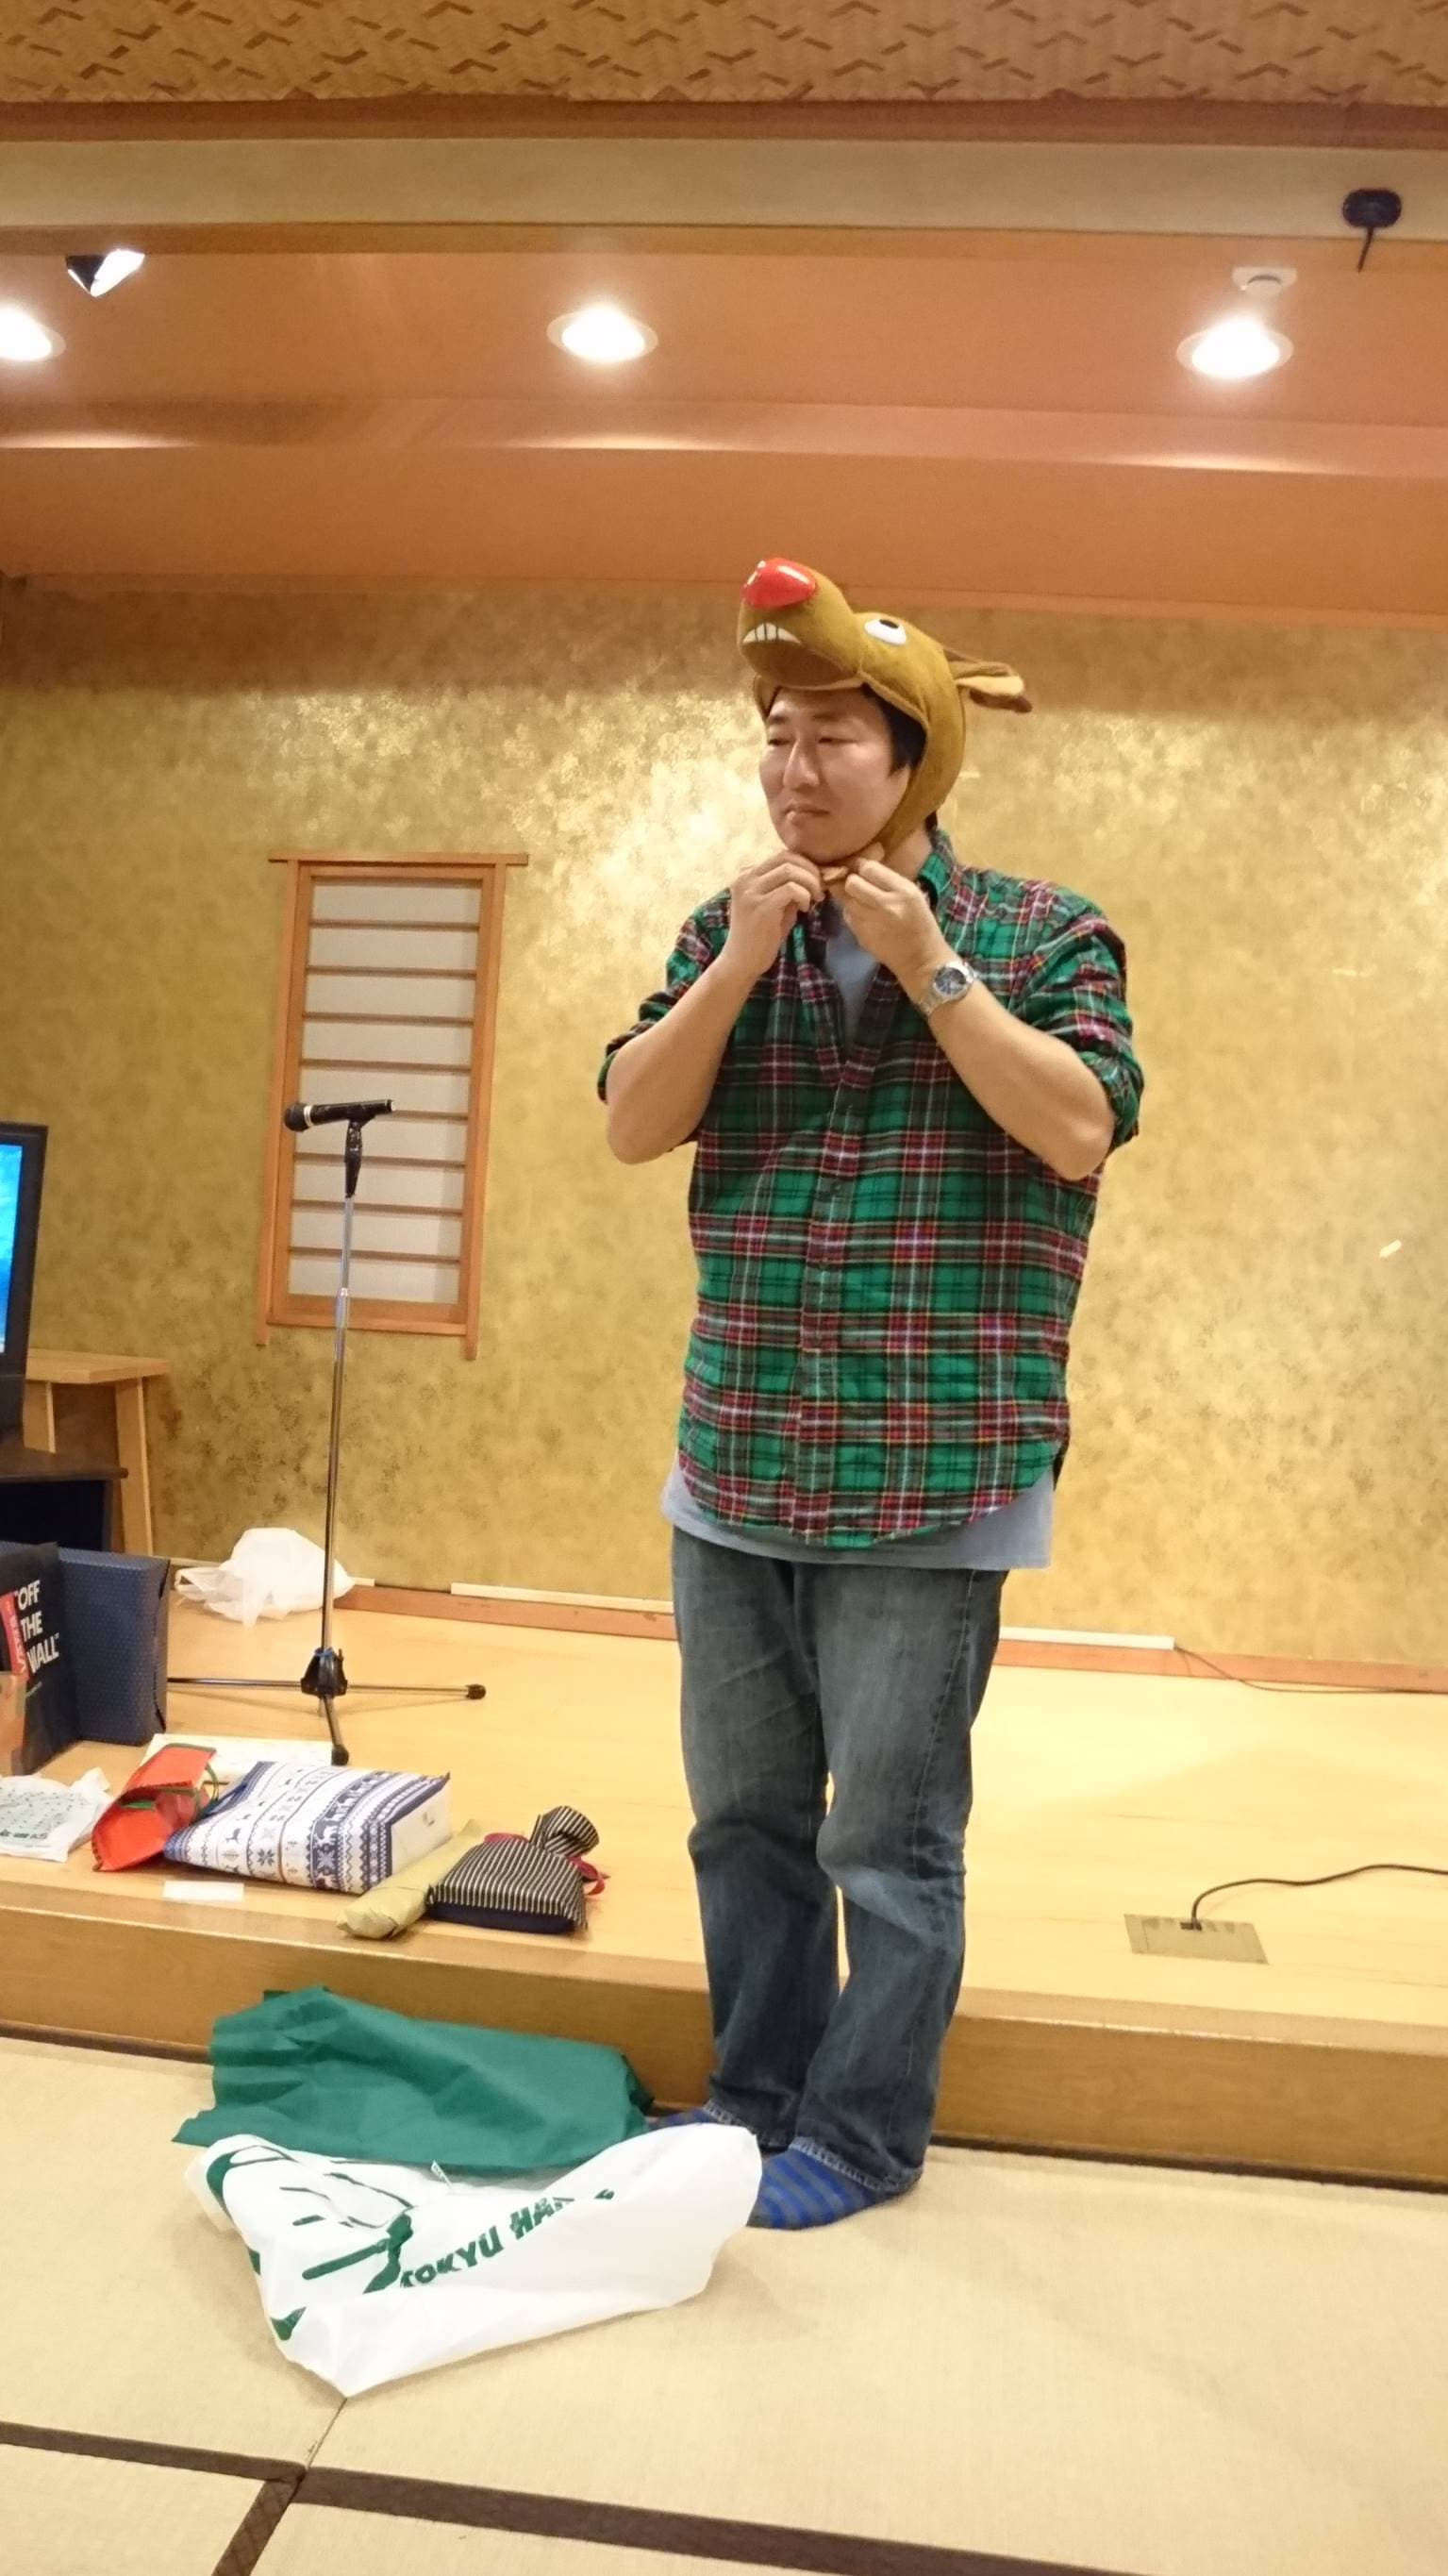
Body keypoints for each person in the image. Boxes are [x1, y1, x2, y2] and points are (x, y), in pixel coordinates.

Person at [600, 559, 1144, 2232]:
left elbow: (1081, 1125)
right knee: (742, 1820)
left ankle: (859, 2133)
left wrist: (933, 968)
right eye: (776, 734)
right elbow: (630, 1119)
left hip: (938, 1467)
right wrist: (735, 966)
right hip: (738, 1452)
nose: (794, 766)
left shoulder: (1042, 932)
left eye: (832, 735)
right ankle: (753, 2098)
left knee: (889, 1844)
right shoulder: (730, 927)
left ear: (915, 758)